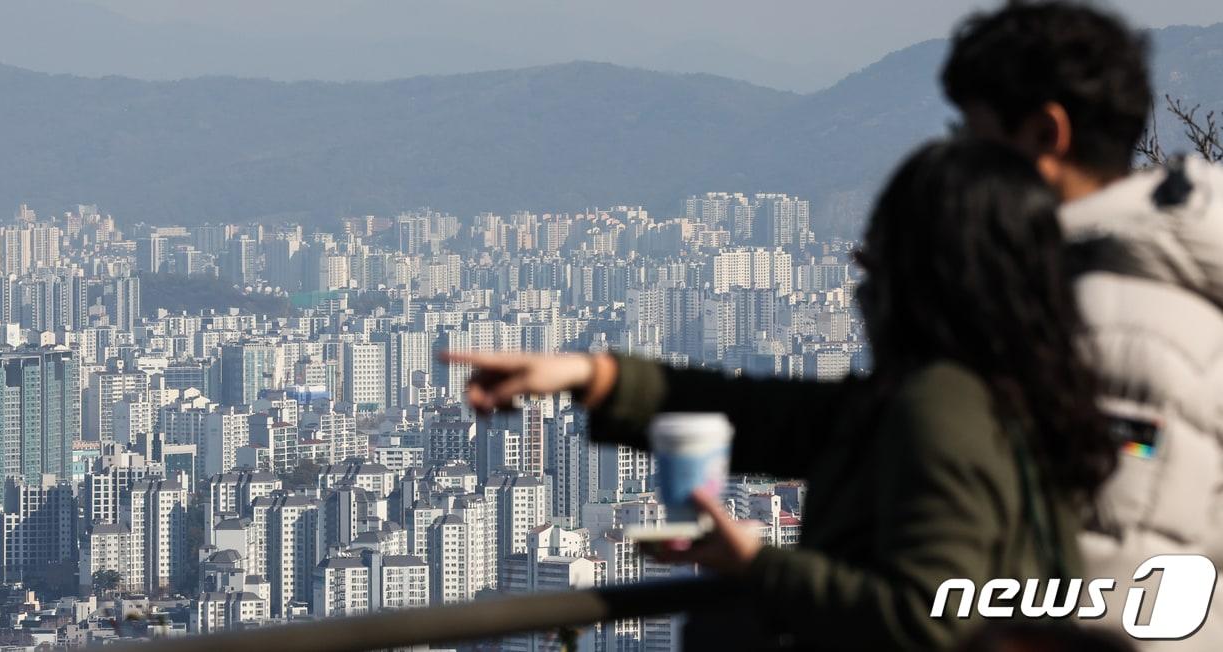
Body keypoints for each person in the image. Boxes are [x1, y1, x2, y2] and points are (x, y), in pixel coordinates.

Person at [445, 139, 1114, 650]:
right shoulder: (996, 389)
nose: (861, 275)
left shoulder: (941, 406)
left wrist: (757, 566)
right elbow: (761, 415)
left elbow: (928, 616)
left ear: (928, 275)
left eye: (878, 254)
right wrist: (590, 376)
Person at [942, 2, 1223, 646]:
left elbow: (1119, 584)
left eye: (975, 138)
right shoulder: (1116, 285)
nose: (960, 166)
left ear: (1047, 135)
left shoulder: (1111, 326)